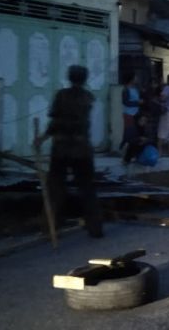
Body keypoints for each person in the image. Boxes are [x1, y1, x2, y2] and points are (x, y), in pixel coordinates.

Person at [34, 65, 103, 238]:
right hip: (82, 148)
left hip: (62, 148)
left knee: (56, 187)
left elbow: (55, 122)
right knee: (87, 188)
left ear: (69, 77)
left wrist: (42, 138)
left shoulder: (61, 96)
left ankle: (51, 226)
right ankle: (95, 227)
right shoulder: (88, 98)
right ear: (85, 79)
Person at [121, 72, 143, 149]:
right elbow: (126, 102)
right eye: (135, 77)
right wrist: (137, 102)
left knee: (134, 133)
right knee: (129, 132)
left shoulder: (135, 89)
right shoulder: (126, 89)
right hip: (128, 114)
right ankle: (124, 148)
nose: (136, 79)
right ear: (131, 79)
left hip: (135, 113)